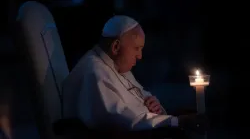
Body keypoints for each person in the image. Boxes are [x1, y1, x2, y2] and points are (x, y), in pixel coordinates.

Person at [63, 15, 207, 133]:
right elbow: (123, 120)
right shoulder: (94, 73)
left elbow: (142, 96)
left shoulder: (115, 66)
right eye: (137, 48)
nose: (140, 56)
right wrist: (176, 121)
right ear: (116, 47)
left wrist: (154, 104)